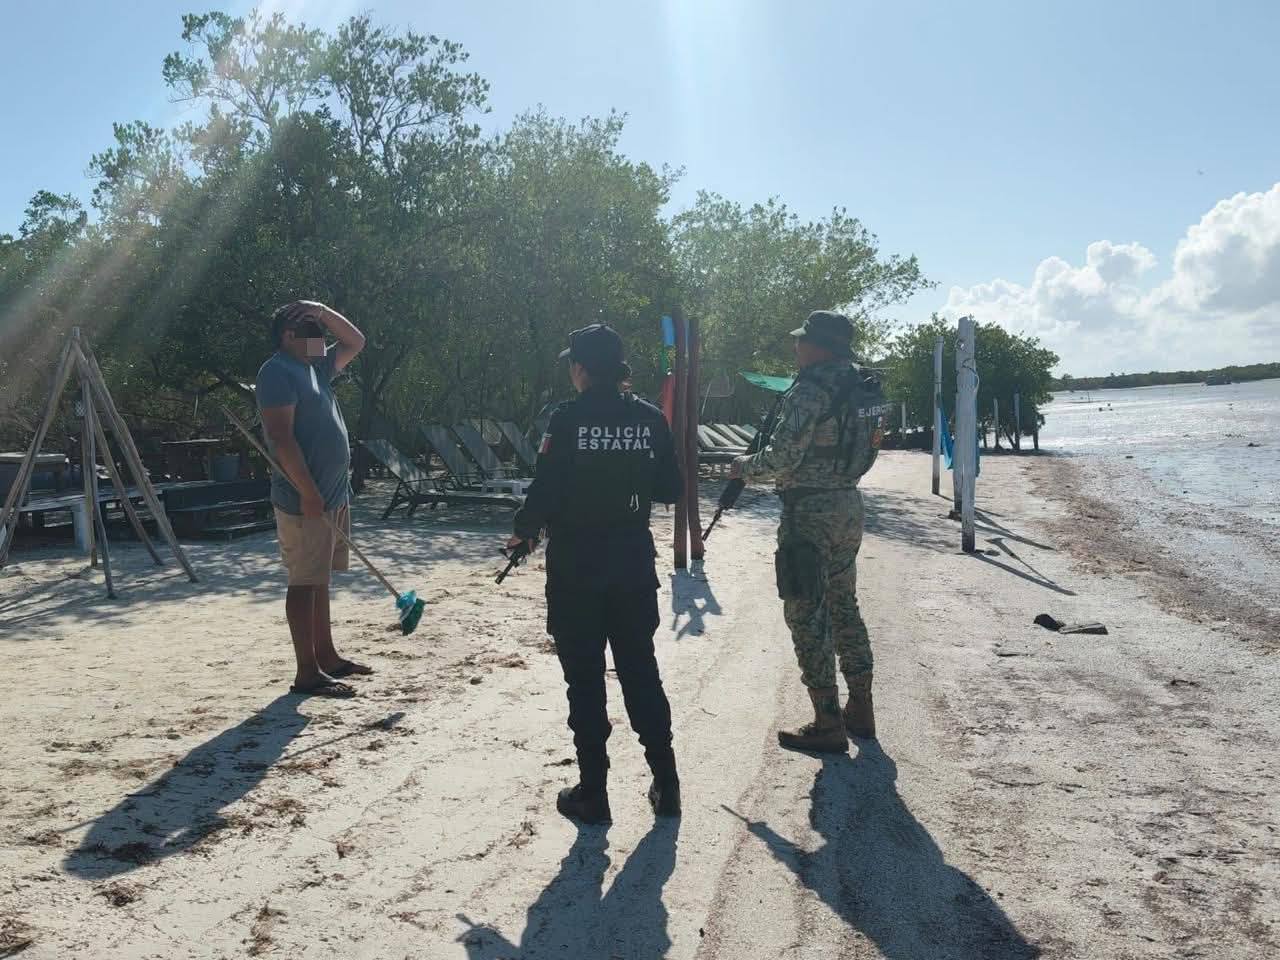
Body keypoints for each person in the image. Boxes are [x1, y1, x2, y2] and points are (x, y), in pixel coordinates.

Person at [508, 323, 683, 824]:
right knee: (640, 672)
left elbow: (545, 490)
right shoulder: (650, 418)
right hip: (631, 564)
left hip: (576, 569)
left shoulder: (566, 419)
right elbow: (670, 489)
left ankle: (594, 793)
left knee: (584, 681)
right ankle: (667, 784)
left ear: (581, 369)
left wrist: (523, 532)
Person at [730, 310, 886, 751]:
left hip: (808, 513)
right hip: (848, 504)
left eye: (802, 340)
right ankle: (861, 708)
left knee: (805, 612)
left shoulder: (811, 389)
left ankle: (827, 721)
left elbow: (782, 457)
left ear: (820, 347)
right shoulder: (865, 387)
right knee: (844, 606)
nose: (795, 346)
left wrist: (744, 467)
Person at [256, 300, 370, 699]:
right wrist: (308, 492)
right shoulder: (276, 372)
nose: (321, 338)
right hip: (305, 498)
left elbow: (356, 341)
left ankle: (328, 657)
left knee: (320, 580)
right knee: (304, 581)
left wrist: (319, 310)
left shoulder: (315, 368)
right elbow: (282, 438)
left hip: (333, 494)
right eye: (311, 331)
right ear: (289, 336)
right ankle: (307, 671)